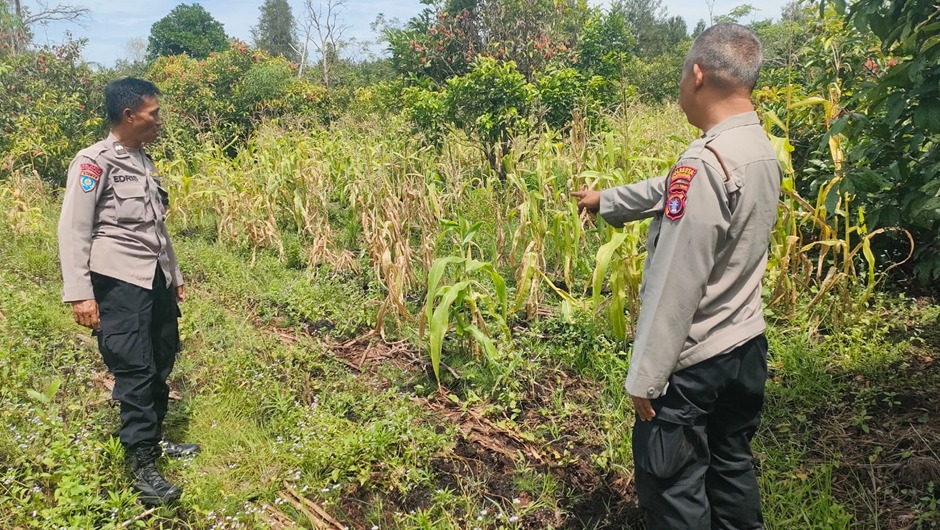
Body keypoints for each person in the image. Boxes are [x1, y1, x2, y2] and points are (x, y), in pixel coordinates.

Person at [573, 24, 782, 529]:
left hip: (695, 364)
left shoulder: (705, 161)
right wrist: (607, 201)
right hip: (745, 349)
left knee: (673, 488)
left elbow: (676, 282)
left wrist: (646, 377)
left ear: (697, 75)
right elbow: (671, 187)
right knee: (730, 468)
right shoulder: (758, 147)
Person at [58, 77, 199, 506]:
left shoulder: (144, 161)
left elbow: (157, 227)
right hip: (119, 282)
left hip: (154, 278)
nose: (159, 120)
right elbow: (73, 229)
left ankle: (154, 439)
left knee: (161, 357)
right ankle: (142, 466)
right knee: (135, 369)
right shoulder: (93, 162)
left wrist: (174, 274)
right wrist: (80, 293)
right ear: (129, 115)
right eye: (153, 113)